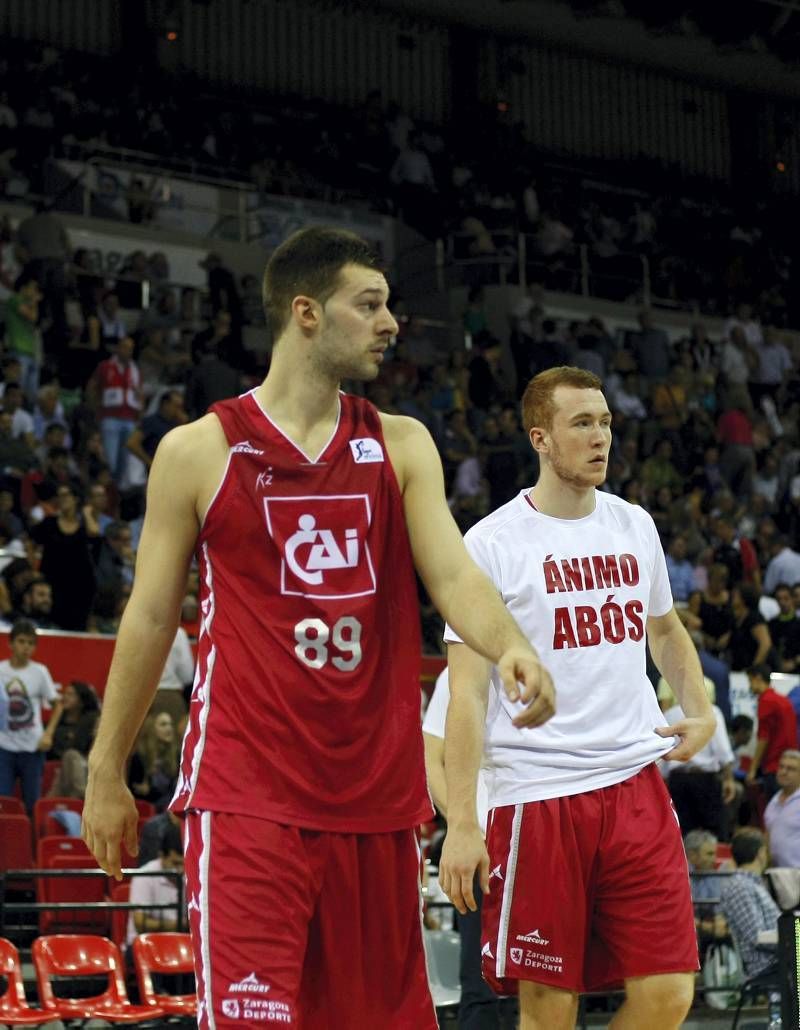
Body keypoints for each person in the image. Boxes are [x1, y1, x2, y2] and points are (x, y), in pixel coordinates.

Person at [81, 226, 553, 1030]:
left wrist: (509, 643)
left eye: (389, 305)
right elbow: (153, 616)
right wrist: (104, 769)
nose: (390, 322)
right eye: (368, 304)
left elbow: (449, 573)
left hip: (376, 802)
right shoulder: (199, 451)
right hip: (248, 794)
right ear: (305, 312)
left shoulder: (400, 444)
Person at [439, 366, 715, 1030]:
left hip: (634, 783)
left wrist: (700, 708)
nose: (601, 438)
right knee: (549, 1010)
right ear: (540, 437)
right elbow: (466, 698)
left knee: (670, 992)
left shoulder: (633, 524)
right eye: (582, 424)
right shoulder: (490, 543)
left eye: (606, 423)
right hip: (537, 794)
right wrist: (462, 822)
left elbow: (666, 628)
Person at [422, 668, 518, 1030]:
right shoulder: (458, 674)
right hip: (483, 851)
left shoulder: (553, 654)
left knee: (549, 987)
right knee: (480, 988)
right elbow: (431, 756)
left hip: (543, 840)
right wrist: (464, 828)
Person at [659, 676, 735, 839]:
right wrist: (729, 778)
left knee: (682, 832)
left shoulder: (670, 714)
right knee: (713, 830)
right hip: (705, 779)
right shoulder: (712, 712)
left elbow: (663, 753)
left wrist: (665, 780)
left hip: (678, 779)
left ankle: (687, 865)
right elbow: (722, 749)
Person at [0, 619, 59, 814]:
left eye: (31, 643)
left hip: (33, 748)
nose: (26, 647)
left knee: (33, 805)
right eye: (22, 642)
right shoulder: (1, 670)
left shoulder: (40, 672)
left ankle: (32, 843)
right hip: (4, 748)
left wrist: (48, 733)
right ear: (10, 643)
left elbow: (57, 704)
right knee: (3, 803)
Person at [718, 828, 780, 978]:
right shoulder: (740, 887)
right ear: (760, 853)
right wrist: (793, 941)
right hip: (767, 965)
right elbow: (757, 936)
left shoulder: (751, 885)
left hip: (780, 959)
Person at [127, 819, 186, 947]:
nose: (180, 870)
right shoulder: (145, 875)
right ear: (161, 856)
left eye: (183, 864)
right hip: (144, 944)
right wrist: (180, 925)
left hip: (180, 944)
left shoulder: (191, 874)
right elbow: (140, 924)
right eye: (175, 863)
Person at [746, 663, 798, 800]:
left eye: (750, 681)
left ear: (757, 678)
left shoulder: (766, 700)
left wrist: (752, 769)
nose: (749, 686)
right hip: (792, 764)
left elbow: (764, 737)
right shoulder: (782, 700)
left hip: (775, 766)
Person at [763, 749, 800, 868]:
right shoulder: (773, 801)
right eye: (781, 767)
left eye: (791, 769)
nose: (783, 772)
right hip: (776, 874)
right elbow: (768, 835)